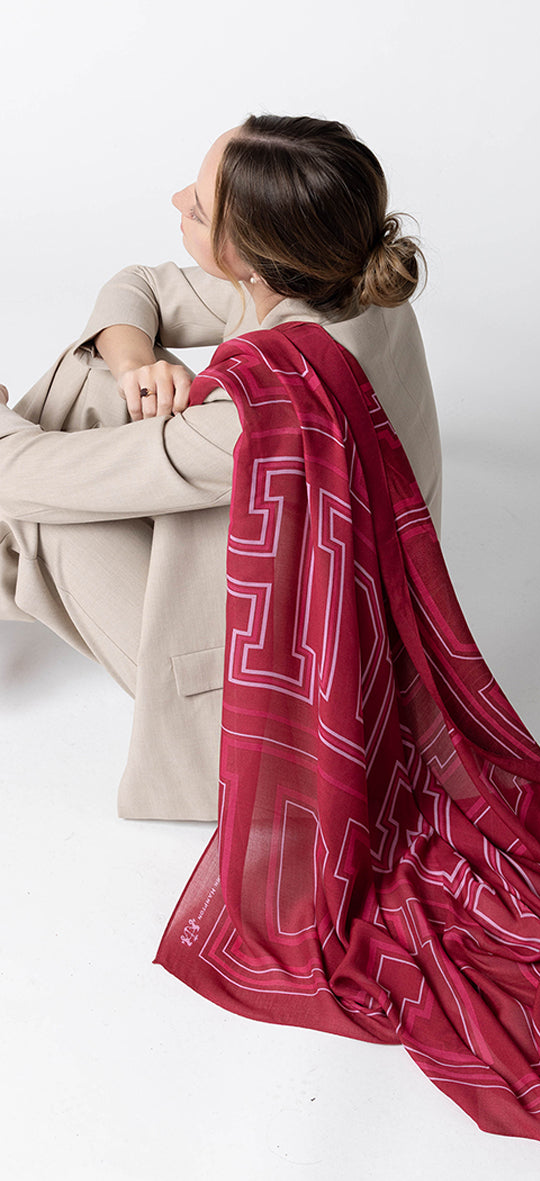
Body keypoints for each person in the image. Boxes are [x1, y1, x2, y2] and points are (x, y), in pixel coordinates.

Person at [0, 114, 443, 821]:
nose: (178, 199)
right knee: (97, 373)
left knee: (39, 509)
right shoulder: (341, 272)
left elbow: (31, 476)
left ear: (249, 260)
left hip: (264, 704)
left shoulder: (272, 408)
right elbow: (137, 286)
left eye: (200, 209)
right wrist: (135, 365)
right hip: (332, 604)